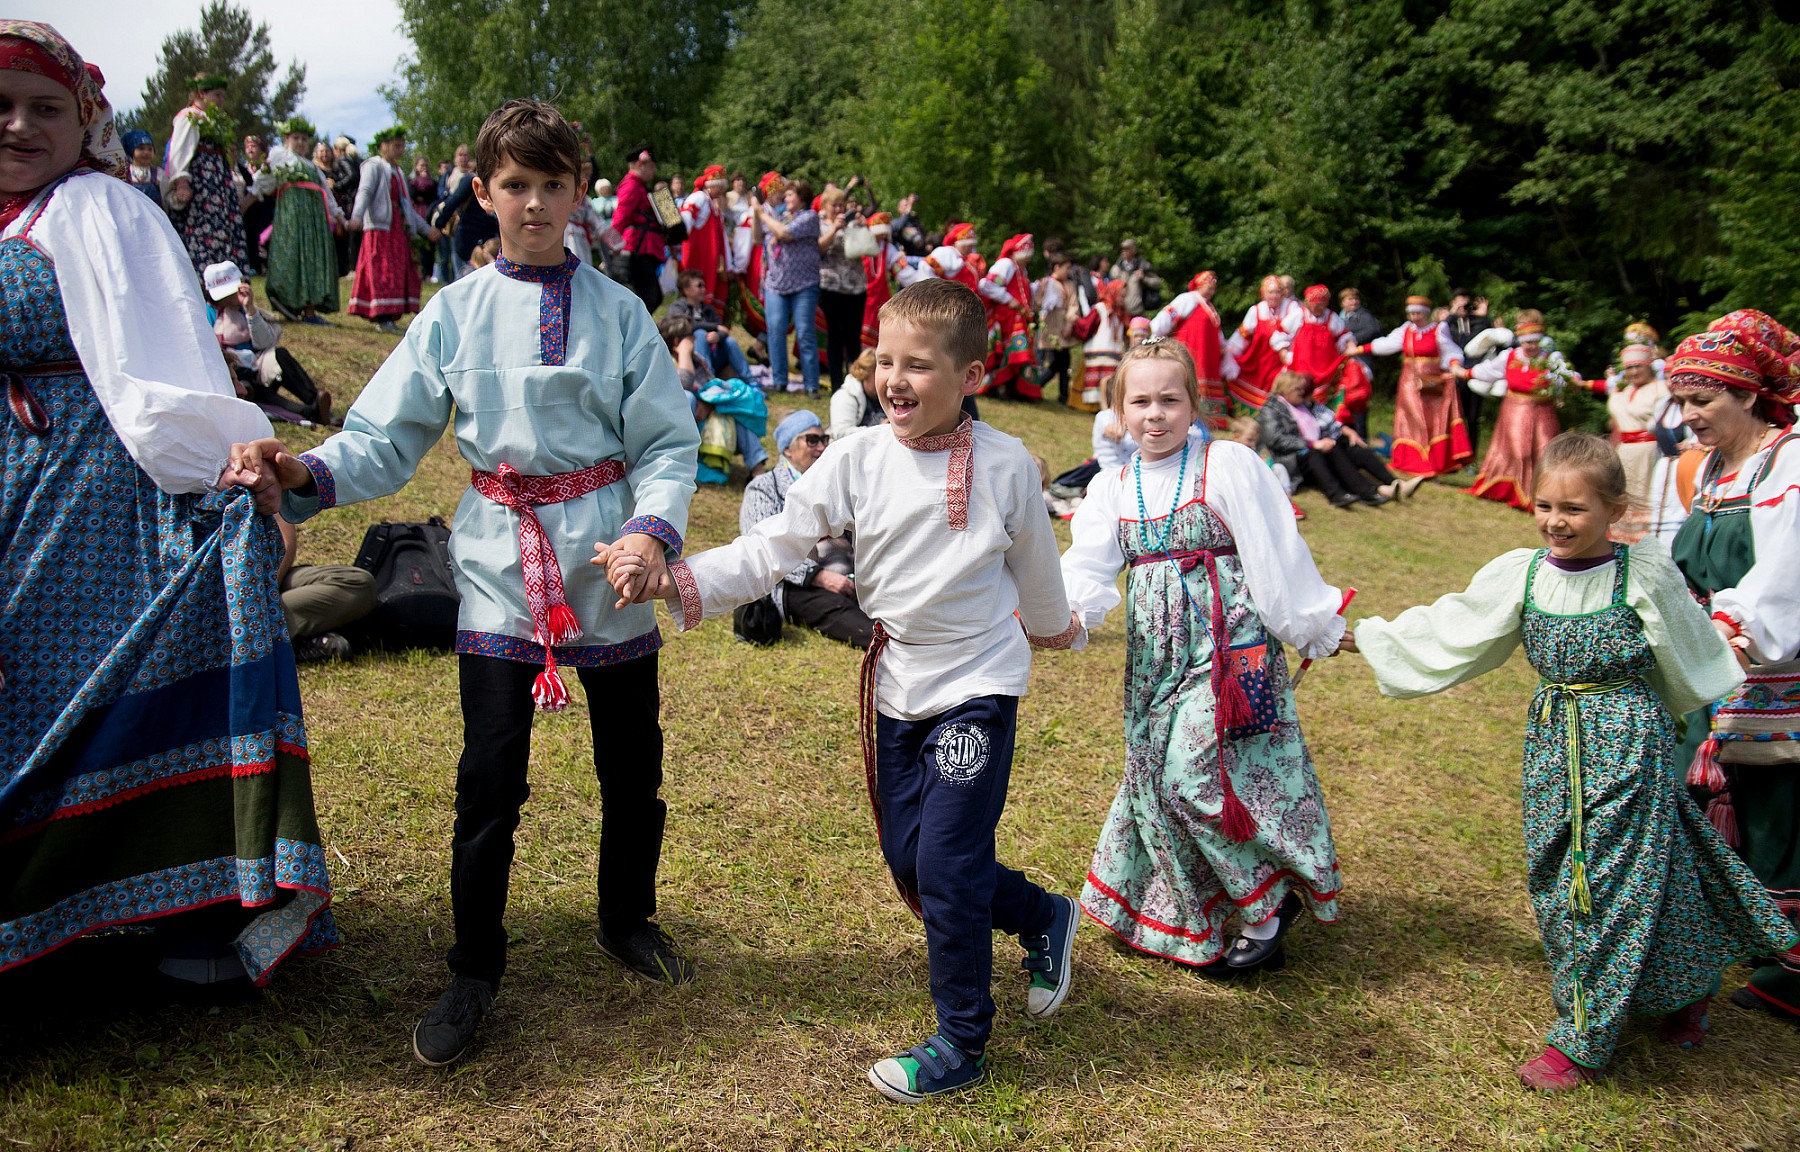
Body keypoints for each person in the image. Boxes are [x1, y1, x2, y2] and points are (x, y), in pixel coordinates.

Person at [230, 99, 702, 1067]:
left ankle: (626, 917)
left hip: (608, 565)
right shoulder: (453, 313)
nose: (534, 203)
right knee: (489, 781)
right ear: (482, 192)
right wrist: (304, 474)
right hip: (497, 564)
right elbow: (383, 437)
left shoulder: (619, 314)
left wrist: (654, 532)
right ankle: (474, 968)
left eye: (553, 184)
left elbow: (666, 444)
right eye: (515, 185)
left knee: (634, 769)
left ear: (580, 192)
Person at [613, 278, 1084, 1102]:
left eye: (919, 366)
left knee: (944, 861)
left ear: (972, 376)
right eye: (885, 362)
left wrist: (1056, 626)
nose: (895, 380)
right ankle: (1044, 915)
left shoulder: (1007, 465)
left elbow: (1036, 574)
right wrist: (676, 579)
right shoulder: (857, 457)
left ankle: (961, 1043)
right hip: (897, 682)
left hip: (977, 683)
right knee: (911, 861)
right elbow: (773, 547)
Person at [0, 22, 336, 986]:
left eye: (46, 109)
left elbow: (162, 366)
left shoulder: (99, 209)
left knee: (83, 690)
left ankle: (182, 906)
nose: (22, 126)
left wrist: (226, 464)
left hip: (92, 498)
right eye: (3, 108)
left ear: (85, 119)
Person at [1354, 433, 1797, 1090]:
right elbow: (1456, 628)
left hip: (1628, 744)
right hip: (1552, 746)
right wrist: (1366, 639)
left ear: (1614, 509)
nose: (1557, 522)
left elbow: (1692, 659)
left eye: (1575, 509)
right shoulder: (1524, 573)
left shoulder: (1641, 573)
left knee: (1604, 886)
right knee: (1567, 874)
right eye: (1546, 506)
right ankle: (1688, 984)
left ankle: (1584, 1036)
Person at [1060, 339, 1349, 975]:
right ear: (1118, 410)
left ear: (1195, 405)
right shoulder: (1112, 486)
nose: (1155, 414)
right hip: (1154, 655)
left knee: (1198, 778)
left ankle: (1266, 908)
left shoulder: (1230, 466)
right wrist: (1073, 613)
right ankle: (1204, 909)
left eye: (1171, 399)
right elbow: (1088, 564)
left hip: (1231, 648)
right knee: (1152, 777)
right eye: (1140, 401)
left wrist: (1310, 624)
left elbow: (1275, 551)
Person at [1662, 309, 1800, 1026]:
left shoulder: (1790, 463)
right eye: (1682, 401)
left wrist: (1728, 631)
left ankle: (1792, 967)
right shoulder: (1716, 467)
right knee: (1714, 799)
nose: (1688, 416)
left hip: (1768, 671)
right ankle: (1742, 934)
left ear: (1747, 394)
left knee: (1774, 811)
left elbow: (1784, 579)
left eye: (1702, 400)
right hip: (1712, 664)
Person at [737, 411, 875, 648]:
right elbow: (764, 550)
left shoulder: (835, 482)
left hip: (848, 570)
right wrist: (818, 576)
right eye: (812, 440)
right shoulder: (763, 487)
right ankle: (887, 644)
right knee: (840, 610)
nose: (821, 447)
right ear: (787, 449)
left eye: (824, 440)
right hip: (795, 584)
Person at [1467, 311, 1595, 511]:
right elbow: (1489, 371)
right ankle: (1508, 489)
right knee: (1515, 452)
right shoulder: (1509, 356)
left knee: (1543, 452)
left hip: (1542, 413)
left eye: (1535, 342)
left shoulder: (1550, 359)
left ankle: (1540, 495)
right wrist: (1465, 372)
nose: (1532, 347)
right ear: (1521, 342)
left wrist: (1574, 380)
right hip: (1513, 411)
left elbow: (1566, 374)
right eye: (1528, 343)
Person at [1258, 369, 1416, 508]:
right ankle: (1344, 494)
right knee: (1318, 452)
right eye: (1297, 389)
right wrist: (1313, 443)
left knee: (1351, 446)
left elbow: (1328, 421)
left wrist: (1345, 431)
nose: (1301, 392)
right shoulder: (1270, 410)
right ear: (1285, 390)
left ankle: (1391, 483)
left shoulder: (1303, 405)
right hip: (1290, 459)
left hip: (1313, 448)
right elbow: (1276, 440)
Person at [1356, 295, 1473, 477]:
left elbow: (1451, 351)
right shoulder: (1406, 330)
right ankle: (1410, 460)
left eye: (1418, 313)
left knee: (1431, 422)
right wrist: (1360, 349)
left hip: (1432, 384)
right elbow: (1386, 344)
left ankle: (1431, 462)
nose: (1415, 317)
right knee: (1410, 420)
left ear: (1425, 314)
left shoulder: (1438, 330)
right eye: (1412, 313)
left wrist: (1455, 366)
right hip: (1409, 384)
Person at [204, 260, 332, 425]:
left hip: (259, 364)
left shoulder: (246, 308)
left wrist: (250, 311)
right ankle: (307, 411)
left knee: (280, 354)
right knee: (249, 385)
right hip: (237, 371)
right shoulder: (209, 313)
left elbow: (265, 343)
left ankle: (315, 400)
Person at [347, 125, 441, 334]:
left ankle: (389, 315)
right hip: (380, 229)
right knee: (382, 271)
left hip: (398, 229)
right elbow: (365, 191)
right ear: (384, 146)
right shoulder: (374, 166)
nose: (400, 150)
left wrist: (426, 230)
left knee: (395, 272)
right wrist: (356, 216)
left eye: (402, 146)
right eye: (396, 146)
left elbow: (406, 206)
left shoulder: (397, 171)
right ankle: (381, 316)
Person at [259, 117, 341, 324]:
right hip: (291, 217)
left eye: (304, 139)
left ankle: (310, 310)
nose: (301, 143)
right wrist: (249, 197)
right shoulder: (280, 156)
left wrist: (339, 215)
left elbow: (326, 194)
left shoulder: (311, 167)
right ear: (286, 138)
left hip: (313, 220)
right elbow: (264, 180)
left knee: (312, 259)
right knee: (291, 255)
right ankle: (286, 301)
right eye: (296, 138)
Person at [165, 73, 245, 275]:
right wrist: (181, 182)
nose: (221, 101)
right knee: (202, 232)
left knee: (222, 232)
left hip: (217, 186)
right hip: (203, 186)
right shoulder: (190, 117)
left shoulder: (212, 121)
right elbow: (179, 151)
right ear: (201, 93)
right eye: (217, 95)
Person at [1275, 284, 1372, 431]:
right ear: (1308, 303)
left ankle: (1325, 426)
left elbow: (1344, 335)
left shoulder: (1331, 317)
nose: (1318, 308)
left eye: (1321, 305)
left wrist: (1350, 345)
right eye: (1315, 305)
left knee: (1328, 396)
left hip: (1326, 367)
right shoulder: (1299, 315)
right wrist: (1282, 351)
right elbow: (1281, 332)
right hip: (1301, 365)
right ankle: (1296, 426)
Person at [277, 518, 376, 662]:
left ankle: (286, 638)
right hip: (237, 596)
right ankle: (287, 642)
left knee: (360, 583)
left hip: (266, 578)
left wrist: (268, 584)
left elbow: (284, 533)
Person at [759, 177, 823, 394]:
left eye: (789, 194)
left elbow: (784, 234)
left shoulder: (810, 217)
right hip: (776, 284)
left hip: (804, 284)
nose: (785, 198)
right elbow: (759, 239)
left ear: (802, 197)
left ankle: (811, 384)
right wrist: (756, 214)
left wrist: (762, 215)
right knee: (775, 331)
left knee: (804, 332)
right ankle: (779, 380)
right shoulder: (780, 217)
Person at [1150, 270, 1237, 431]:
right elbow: (1169, 315)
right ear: (1198, 285)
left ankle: (1210, 419)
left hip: (1208, 354)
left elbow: (1217, 333)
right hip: (1192, 350)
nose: (1210, 290)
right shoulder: (1188, 299)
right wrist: (1155, 333)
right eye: (1207, 286)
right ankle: (1190, 416)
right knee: (1191, 379)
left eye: (1213, 288)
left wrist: (1224, 348)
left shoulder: (1210, 307)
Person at [1607, 343, 1669, 543]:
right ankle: (1622, 535)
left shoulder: (1661, 389)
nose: (1633, 372)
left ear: (1649, 366)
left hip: (1650, 450)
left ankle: (1646, 537)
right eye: (1629, 368)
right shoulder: (1622, 392)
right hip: (1625, 450)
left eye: (1638, 367)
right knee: (1625, 492)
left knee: (1646, 493)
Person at [976, 234, 1040, 400]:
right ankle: (999, 387)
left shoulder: (1021, 269)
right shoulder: (1006, 264)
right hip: (1005, 318)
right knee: (1005, 352)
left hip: (1017, 319)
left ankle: (1014, 388)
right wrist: (1008, 299)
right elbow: (986, 284)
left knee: (1016, 352)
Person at [817, 187, 867, 390]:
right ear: (825, 206)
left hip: (856, 287)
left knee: (853, 337)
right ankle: (837, 383)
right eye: (834, 205)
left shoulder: (853, 224)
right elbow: (818, 248)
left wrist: (863, 228)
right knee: (836, 336)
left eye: (841, 205)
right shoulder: (819, 224)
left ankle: (856, 383)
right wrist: (835, 229)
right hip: (832, 286)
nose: (838, 209)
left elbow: (868, 249)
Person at [1226, 275, 1299, 413]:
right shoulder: (1256, 310)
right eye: (1270, 292)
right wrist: (1231, 354)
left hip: (1283, 362)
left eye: (1277, 292)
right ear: (1263, 294)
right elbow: (1243, 335)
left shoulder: (1292, 308)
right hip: (1260, 362)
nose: (1274, 296)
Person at [667, 270, 751, 381]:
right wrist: (714, 327)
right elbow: (683, 326)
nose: (703, 290)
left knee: (730, 342)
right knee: (700, 334)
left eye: (704, 286)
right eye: (699, 286)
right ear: (686, 289)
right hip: (689, 357)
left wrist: (718, 336)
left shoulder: (708, 309)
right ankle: (707, 379)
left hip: (713, 355)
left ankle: (750, 381)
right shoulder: (677, 307)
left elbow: (723, 330)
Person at [612, 145, 667, 312]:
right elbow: (621, 216)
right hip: (639, 248)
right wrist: (612, 243)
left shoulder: (640, 186)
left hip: (645, 247)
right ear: (639, 165)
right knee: (650, 297)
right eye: (651, 166)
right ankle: (635, 334)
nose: (654, 170)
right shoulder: (631, 186)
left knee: (651, 297)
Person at [1446, 289, 1494, 457]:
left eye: (1466, 304)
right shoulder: (1449, 322)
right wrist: (1453, 314)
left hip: (1473, 375)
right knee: (1452, 417)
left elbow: (1484, 339)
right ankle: (1452, 455)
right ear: (1452, 303)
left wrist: (1482, 317)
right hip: (1452, 376)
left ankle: (1471, 456)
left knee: (1472, 419)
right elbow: (1441, 333)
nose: (1464, 308)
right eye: (1460, 303)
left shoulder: (1476, 322)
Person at [678, 164, 727, 305]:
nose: (723, 190)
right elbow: (686, 216)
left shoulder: (711, 202)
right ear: (711, 185)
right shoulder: (699, 197)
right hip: (697, 256)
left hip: (707, 257)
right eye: (720, 186)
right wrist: (679, 237)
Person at [859, 211, 904, 350]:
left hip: (880, 296)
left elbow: (901, 270)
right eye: (879, 234)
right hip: (861, 295)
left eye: (883, 235)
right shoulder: (860, 245)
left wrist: (920, 280)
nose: (881, 237)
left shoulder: (888, 249)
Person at [829, 348, 886, 440]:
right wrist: (878, 430)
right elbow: (840, 433)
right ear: (865, 373)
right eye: (878, 375)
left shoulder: (886, 395)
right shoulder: (844, 396)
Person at [237, 132, 271, 273]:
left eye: (254, 147)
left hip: (265, 209)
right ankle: (254, 266)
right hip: (250, 211)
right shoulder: (243, 168)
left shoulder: (266, 168)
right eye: (248, 147)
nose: (250, 150)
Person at [1108, 237, 1161, 318]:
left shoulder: (1144, 265)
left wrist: (1144, 278)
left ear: (1134, 250)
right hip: (1119, 313)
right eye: (1123, 249)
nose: (1124, 252)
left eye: (1127, 249)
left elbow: (1157, 283)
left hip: (1136, 312)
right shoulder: (1116, 268)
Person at [121, 126, 165, 205]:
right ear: (132, 151)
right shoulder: (124, 172)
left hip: (154, 215)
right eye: (141, 148)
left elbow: (167, 196)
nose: (146, 152)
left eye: (150, 149)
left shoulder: (158, 173)